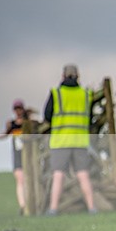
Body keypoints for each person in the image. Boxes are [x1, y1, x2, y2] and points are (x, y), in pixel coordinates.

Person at [43, 64, 96, 215]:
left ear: (63, 76)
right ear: (78, 76)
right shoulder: (85, 94)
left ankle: (53, 209)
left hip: (61, 140)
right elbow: (90, 117)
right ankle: (92, 208)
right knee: (83, 174)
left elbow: (47, 115)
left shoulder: (56, 93)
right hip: (80, 141)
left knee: (58, 174)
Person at [0, 99, 32, 213]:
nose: (18, 111)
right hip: (17, 155)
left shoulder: (27, 124)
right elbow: (5, 134)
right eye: (16, 109)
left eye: (20, 109)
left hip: (27, 155)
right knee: (20, 179)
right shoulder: (11, 124)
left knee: (27, 180)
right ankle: (23, 205)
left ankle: (29, 203)